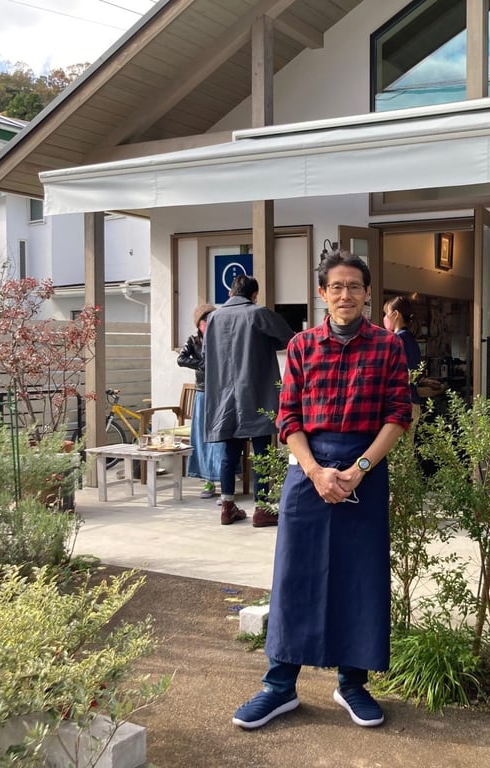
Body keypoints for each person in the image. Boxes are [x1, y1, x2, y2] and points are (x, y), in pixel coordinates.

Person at [231, 251, 411, 731]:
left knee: (360, 577)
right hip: (307, 470)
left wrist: (360, 468)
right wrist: (314, 470)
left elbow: (398, 416)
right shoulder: (302, 347)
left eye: (354, 286)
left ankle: (352, 683)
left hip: (364, 471)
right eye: (337, 286)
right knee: (295, 576)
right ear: (322, 293)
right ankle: (279, 685)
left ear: (368, 293)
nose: (346, 294)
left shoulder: (388, 348)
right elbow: (288, 417)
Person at [204, 275, 294, 527]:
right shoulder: (257, 313)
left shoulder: (213, 318)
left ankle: (227, 505)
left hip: (224, 394)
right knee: (262, 450)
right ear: (254, 294)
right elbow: (290, 338)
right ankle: (262, 508)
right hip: (255, 390)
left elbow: (205, 353)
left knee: (229, 452)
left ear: (232, 292)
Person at [177, 303, 221, 498]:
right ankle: (207, 481)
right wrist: (202, 364)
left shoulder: (222, 338)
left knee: (221, 437)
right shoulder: (193, 341)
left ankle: (224, 479)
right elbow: (181, 359)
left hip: (221, 393)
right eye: (207, 320)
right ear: (200, 324)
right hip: (202, 392)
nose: (211, 323)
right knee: (202, 437)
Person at [383, 294, 424, 430]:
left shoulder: (397, 340)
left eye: (386, 313)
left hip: (401, 405)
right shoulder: (410, 340)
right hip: (413, 403)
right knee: (407, 449)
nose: (385, 318)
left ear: (395, 314)